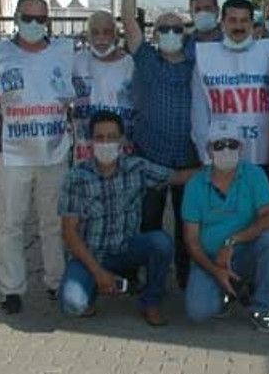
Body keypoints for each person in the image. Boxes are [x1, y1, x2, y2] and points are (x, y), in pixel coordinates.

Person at [0, 0, 75, 314]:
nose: (34, 25)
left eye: (41, 19)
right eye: (28, 18)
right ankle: (11, 289)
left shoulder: (63, 52)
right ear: (16, 17)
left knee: (53, 221)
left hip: (53, 151)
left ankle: (55, 280)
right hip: (12, 153)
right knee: (10, 224)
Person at [58, 111, 196, 325]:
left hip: (126, 249)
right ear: (91, 141)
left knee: (161, 242)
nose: (106, 143)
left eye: (112, 137)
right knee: (73, 304)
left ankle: (150, 302)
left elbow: (176, 177)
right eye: (100, 138)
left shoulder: (136, 167)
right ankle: (96, 286)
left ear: (122, 139)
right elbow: (69, 232)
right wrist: (98, 272)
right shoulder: (76, 177)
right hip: (91, 255)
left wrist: (219, 168)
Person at [122, 0, 199, 288]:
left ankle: (186, 278)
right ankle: (142, 279)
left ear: (185, 33)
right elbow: (127, 21)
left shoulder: (198, 62)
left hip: (188, 160)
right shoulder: (148, 59)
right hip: (150, 159)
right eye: (163, 28)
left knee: (188, 225)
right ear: (155, 33)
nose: (169, 32)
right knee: (148, 224)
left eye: (176, 28)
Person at [181, 122, 269, 333]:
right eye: (219, 145)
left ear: (241, 148)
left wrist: (232, 241)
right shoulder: (195, 184)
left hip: (245, 252)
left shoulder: (254, 174)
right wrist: (216, 271)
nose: (226, 150)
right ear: (209, 150)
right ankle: (227, 289)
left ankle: (262, 308)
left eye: (232, 144)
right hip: (209, 259)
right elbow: (191, 241)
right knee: (198, 312)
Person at [193, 0, 269, 182]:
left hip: (262, 154)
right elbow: (199, 113)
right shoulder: (205, 57)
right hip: (221, 154)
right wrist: (205, 155)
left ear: (252, 23)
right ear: (222, 23)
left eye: (244, 20)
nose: (238, 26)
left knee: (261, 208)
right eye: (232, 20)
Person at [71, 10, 134, 163]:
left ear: (116, 35)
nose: (101, 38)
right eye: (95, 32)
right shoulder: (76, 62)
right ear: (87, 36)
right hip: (86, 149)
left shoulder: (130, 64)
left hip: (121, 147)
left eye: (106, 32)